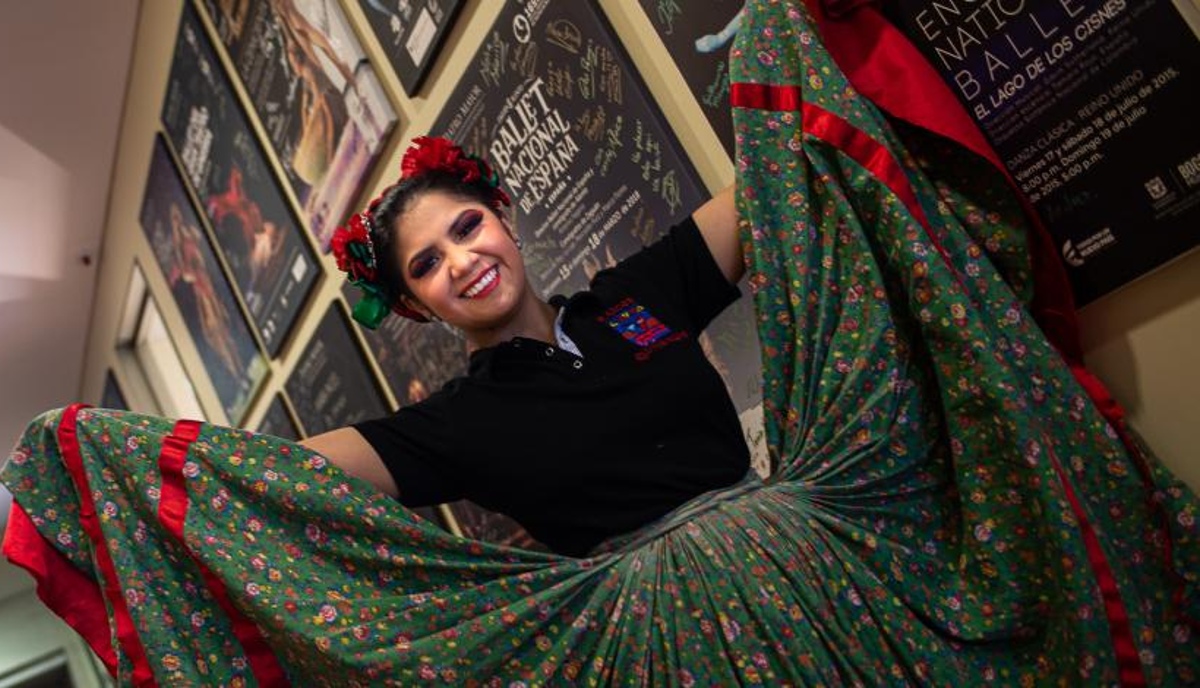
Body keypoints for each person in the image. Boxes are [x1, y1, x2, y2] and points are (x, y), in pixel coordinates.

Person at [2, 0, 1197, 685]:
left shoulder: (638, 295)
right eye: (427, 265)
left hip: (823, 564)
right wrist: (107, 455)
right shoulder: (448, 428)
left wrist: (779, 30)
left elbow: (779, 177)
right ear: (417, 307)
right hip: (662, 646)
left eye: (467, 227)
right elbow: (282, 477)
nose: (462, 258)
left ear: (503, 217)